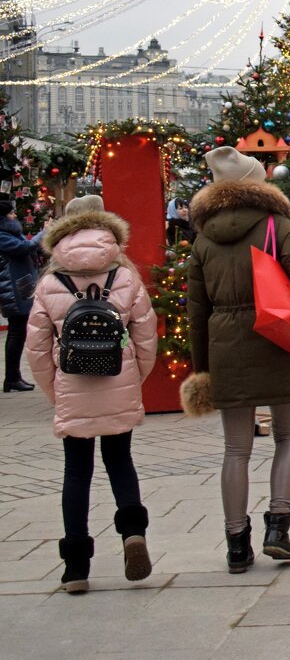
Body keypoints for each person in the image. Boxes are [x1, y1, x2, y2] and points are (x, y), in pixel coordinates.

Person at [181, 147, 290, 574]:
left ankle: (236, 544)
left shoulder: (204, 238)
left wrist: (203, 365)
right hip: (278, 339)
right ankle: (278, 528)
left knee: (236, 449)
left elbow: (196, 310)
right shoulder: (276, 226)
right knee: (288, 437)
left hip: (226, 346)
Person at [24, 202, 158, 594]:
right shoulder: (125, 277)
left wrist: (57, 392)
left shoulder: (50, 283)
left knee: (77, 473)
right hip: (118, 380)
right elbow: (146, 339)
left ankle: (76, 568)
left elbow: (36, 349)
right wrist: (134, 379)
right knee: (121, 462)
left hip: (72, 385)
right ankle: (133, 533)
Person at [0, 199, 40, 392]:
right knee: (16, 332)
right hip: (13, 288)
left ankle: (14, 377)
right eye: (12, 213)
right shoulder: (2, 235)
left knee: (18, 331)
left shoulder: (9, 233)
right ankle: (12, 378)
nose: (15, 216)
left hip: (19, 286)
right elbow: (25, 247)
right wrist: (45, 233)